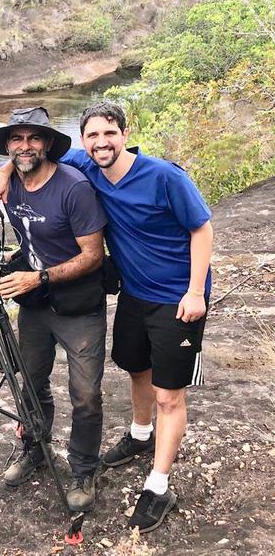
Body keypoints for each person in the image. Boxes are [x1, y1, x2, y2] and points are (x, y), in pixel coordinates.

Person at [0, 107, 108, 512]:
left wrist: (38, 277)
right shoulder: (6, 175)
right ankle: (34, 447)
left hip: (78, 305)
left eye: (33, 138)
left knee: (86, 395)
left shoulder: (73, 187)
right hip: (35, 306)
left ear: (46, 144)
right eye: (17, 139)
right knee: (31, 381)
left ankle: (83, 467)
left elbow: (93, 255)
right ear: (8, 146)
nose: (24, 146)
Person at [58, 101, 213, 532]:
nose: (101, 142)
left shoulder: (165, 176)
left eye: (110, 133)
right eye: (92, 135)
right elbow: (35, 155)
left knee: (169, 394)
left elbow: (202, 228)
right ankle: (141, 435)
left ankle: (159, 485)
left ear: (126, 133)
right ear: (83, 140)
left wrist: (196, 291)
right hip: (133, 294)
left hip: (178, 299)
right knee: (136, 367)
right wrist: (10, 172)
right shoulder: (87, 164)